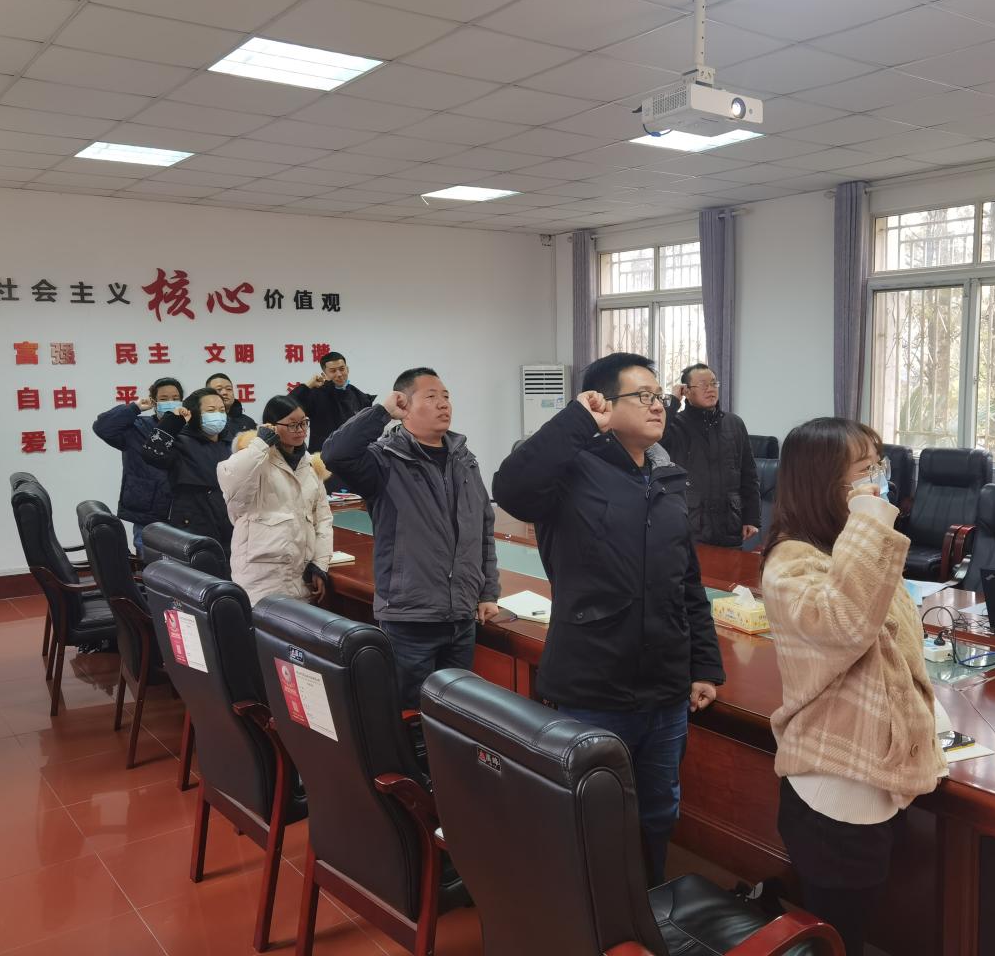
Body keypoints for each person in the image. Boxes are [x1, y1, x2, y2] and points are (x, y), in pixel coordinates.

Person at [492, 352, 725, 887]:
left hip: (666, 688)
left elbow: (687, 583)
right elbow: (510, 487)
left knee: (657, 812)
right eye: (641, 396)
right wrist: (576, 419)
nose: (657, 405)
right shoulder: (570, 472)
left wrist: (704, 666)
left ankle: (647, 908)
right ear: (602, 404)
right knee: (590, 817)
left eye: (658, 395)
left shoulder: (667, 476)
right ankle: (591, 920)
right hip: (594, 685)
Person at [760, 417, 946, 956]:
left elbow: (897, 648)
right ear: (823, 483)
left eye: (878, 465)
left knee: (857, 927)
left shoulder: (850, 548)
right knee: (838, 937)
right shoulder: (792, 562)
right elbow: (846, 623)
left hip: (872, 776)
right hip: (834, 792)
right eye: (864, 470)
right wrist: (869, 518)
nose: (878, 480)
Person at [322, 367, 500, 709]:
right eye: (431, 397)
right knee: (410, 713)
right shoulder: (384, 460)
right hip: (410, 618)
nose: (443, 404)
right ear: (403, 405)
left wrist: (488, 591)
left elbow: (482, 532)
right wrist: (380, 412)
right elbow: (335, 454)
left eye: (446, 396)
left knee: (458, 714)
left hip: (462, 617)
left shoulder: (465, 460)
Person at [217, 395, 333, 606]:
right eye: (292, 425)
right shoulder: (255, 458)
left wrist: (320, 564)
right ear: (271, 426)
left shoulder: (310, 465)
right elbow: (231, 481)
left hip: (301, 578)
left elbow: (323, 519)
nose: (301, 430)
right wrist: (260, 443)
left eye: (304, 423)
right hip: (260, 578)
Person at [663, 362, 760, 547]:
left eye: (714, 383)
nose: (710, 389)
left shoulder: (734, 423)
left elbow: (749, 473)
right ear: (686, 391)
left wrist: (752, 518)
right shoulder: (676, 425)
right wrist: (673, 401)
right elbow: (655, 440)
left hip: (730, 524)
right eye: (703, 385)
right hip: (689, 526)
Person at [92, 377, 184, 553]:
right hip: (147, 515)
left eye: (175, 398)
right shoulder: (138, 427)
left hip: (183, 514)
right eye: (164, 399)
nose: (170, 402)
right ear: (154, 402)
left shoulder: (187, 429)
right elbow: (102, 427)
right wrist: (134, 408)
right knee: (151, 564)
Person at [141, 387, 235, 554]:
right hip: (193, 523)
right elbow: (151, 453)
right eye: (210, 410)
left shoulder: (230, 442)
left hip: (229, 522)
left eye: (222, 410)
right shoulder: (181, 441)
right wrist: (173, 421)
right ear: (196, 414)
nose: (218, 415)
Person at [289, 351, 373, 457]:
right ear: (324, 374)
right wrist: (308, 385)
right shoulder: (315, 395)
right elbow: (285, 407)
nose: (339, 374)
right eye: (333, 371)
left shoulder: (361, 397)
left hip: (354, 458)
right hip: (322, 459)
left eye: (342, 369)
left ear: (347, 369)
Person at [205, 372, 257, 438]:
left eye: (229, 389)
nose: (225, 392)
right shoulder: (204, 422)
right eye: (219, 389)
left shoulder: (248, 422)